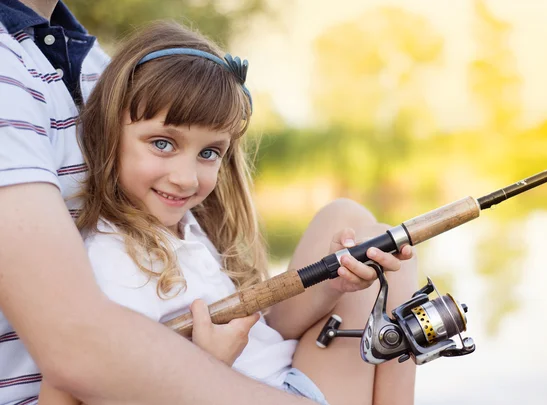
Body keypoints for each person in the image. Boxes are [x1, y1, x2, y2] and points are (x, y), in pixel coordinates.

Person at [0, 2, 416, 405]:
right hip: (271, 391)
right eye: (163, 144)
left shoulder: (181, 225)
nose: (186, 177)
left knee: (362, 232)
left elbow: (269, 328)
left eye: (209, 154)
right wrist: (209, 362)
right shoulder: (115, 264)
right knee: (390, 254)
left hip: (284, 378)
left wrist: (335, 286)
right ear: (107, 137)